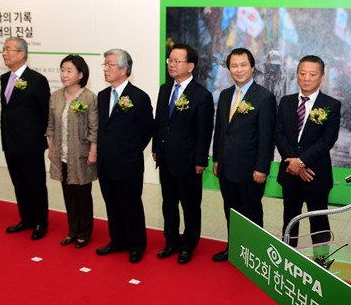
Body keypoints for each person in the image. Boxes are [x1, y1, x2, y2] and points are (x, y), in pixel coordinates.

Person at [212, 48, 276, 262]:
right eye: (234, 66)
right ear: (229, 69)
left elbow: (266, 136)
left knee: (251, 212)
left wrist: (262, 168)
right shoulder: (225, 95)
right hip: (226, 166)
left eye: (243, 65)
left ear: (252, 68)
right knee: (230, 210)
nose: (238, 70)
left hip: (250, 169)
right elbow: (220, 131)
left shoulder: (264, 97)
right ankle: (234, 248)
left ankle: (255, 255)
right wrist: (217, 159)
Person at [152, 43, 214, 264]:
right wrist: (156, 148)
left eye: (177, 61)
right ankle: (171, 241)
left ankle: (188, 245)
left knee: (190, 206)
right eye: (170, 60)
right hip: (166, 158)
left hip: (188, 161)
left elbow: (204, 132)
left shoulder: (202, 95)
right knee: (168, 203)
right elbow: (160, 122)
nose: (171, 64)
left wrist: (200, 160)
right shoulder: (164, 89)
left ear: (190, 66)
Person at [275, 55, 341, 247]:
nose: (307, 78)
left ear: (321, 77)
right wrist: (294, 163)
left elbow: (327, 140)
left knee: (319, 224)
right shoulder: (286, 102)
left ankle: (321, 260)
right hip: (290, 173)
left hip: (316, 175)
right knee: (289, 221)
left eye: (312, 74)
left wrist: (301, 163)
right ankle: (287, 257)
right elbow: (279, 134)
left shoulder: (331, 105)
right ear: (297, 75)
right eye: (303, 73)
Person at [95, 49, 153, 264]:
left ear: (124, 69)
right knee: (112, 203)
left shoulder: (139, 97)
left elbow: (147, 130)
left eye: (110, 65)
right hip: (105, 163)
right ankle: (117, 240)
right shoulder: (102, 96)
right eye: (104, 64)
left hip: (128, 164)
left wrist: (130, 151)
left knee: (131, 205)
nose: (105, 69)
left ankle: (137, 245)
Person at [1, 37, 51, 240]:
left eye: (8, 49)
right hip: (10, 142)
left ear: (22, 54)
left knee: (35, 184)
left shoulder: (37, 80)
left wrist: (43, 139)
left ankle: (40, 221)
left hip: (30, 144)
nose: (4, 53)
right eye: (3, 49)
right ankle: (26, 218)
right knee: (19, 183)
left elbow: (45, 113)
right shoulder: (4, 78)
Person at [46, 55, 98, 249]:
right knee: (68, 194)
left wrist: (93, 153)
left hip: (81, 155)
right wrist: (51, 148)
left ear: (80, 74)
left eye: (69, 71)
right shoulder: (56, 96)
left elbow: (94, 129)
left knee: (82, 195)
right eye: (62, 70)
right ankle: (73, 230)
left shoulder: (89, 97)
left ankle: (85, 232)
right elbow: (51, 126)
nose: (64, 74)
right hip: (61, 154)